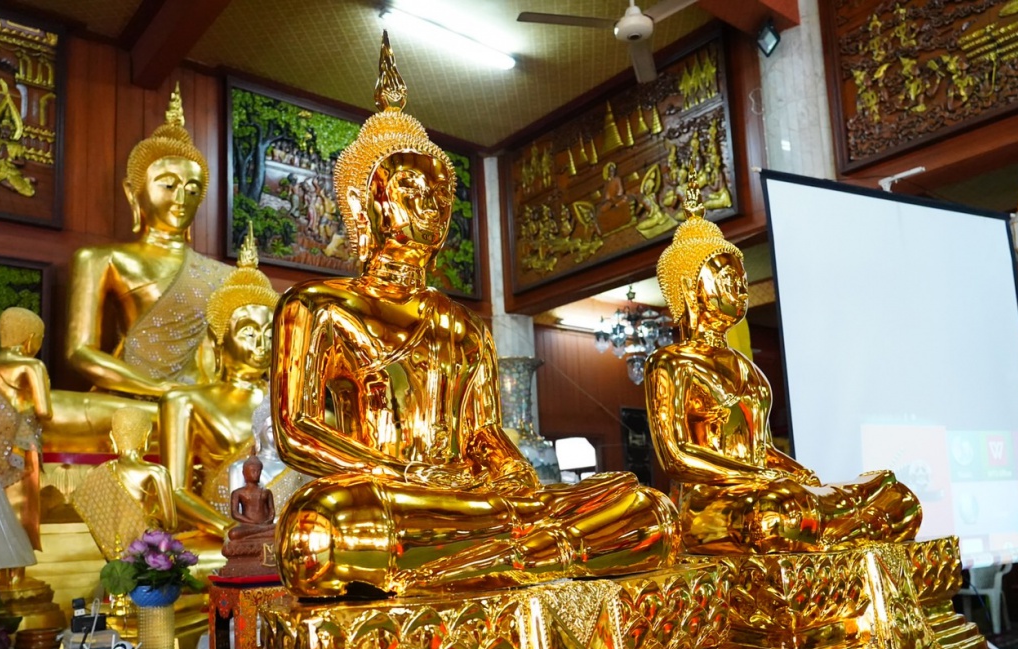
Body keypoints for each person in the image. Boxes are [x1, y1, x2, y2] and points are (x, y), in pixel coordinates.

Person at [271, 35, 675, 598]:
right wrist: (404, 473)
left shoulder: (462, 324)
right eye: (411, 188)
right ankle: (537, 551)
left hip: (467, 505)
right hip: (390, 499)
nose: (431, 206)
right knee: (320, 530)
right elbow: (296, 431)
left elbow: (482, 432)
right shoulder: (317, 305)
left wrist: (511, 472)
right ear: (364, 205)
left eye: (440, 195)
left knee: (643, 506)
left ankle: (508, 550)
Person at [644, 192, 921, 554]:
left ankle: (838, 523)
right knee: (781, 508)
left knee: (892, 492)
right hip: (710, 504)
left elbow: (762, 449)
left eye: (742, 280)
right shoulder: (671, 362)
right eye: (727, 279)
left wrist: (796, 471)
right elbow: (677, 456)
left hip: (765, 487)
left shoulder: (746, 366)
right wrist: (759, 476)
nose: (740, 290)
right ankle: (848, 526)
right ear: (688, 287)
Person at [44, 84, 233, 454]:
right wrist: (159, 388)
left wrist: (201, 396)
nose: (181, 198)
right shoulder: (101, 259)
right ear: (133, 193)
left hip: (199, 406)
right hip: (133, 402)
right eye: (168, 185)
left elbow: (228, 363)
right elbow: (80, 352)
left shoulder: (221, 275)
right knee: (46, 410)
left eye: (193, 189)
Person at [159, 233, 277, 537]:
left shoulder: (287, 403)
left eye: (269, 334)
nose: (262, 345)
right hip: (225, 530)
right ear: (218, 340)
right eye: (249, 333)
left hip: (286, 530)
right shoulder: (185, 402)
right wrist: (231, 530)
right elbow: (175, 491)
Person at [0, 307, 51, 548]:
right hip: (19, 445)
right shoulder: (32, 366)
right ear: (30, 338)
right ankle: (15, 566)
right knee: (18, 507)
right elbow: (44, 411)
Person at [70, 408, 177, 560]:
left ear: (112, 437)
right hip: (150, 550)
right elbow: (171, 524)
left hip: (116, 551)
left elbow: (90, 508)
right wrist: (150, 517)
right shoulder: (157, 472)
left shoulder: (101, 472)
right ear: (147, 436)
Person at [220, 457, 278, 577]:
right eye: (252, 471)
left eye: (258, 471)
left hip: (265, 527)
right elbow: (235, 513)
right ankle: (259, 535)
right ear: (244, 473)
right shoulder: (238, 493)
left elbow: (272, 512)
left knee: (279, 529)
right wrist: (252, 523)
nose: (256, 474)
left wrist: (266, 523)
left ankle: (259, 535)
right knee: (233, 534)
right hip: (248, 527)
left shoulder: (266, 492)